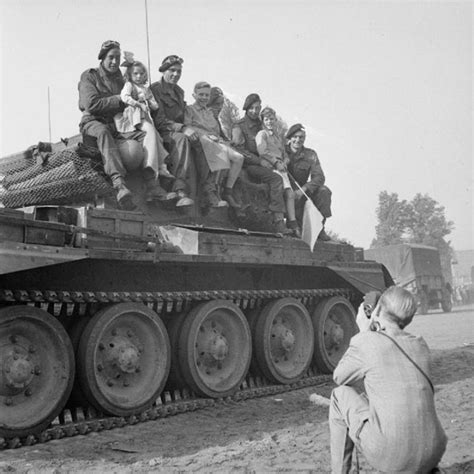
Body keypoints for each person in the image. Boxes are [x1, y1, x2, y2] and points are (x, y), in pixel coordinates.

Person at [329, 286, 447, 474]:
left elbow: (339, 377)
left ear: (377, 311)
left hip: (391, 457)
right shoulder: (420, 344)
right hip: (434, 451)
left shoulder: (367, 342)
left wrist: (363, 332)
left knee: (339, 395)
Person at [78, 40, 169, 210]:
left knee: (149, 133)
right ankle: (119, 184)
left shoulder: (122, 80)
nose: (114, 62)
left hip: (119, 125)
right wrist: (120, 99)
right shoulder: (89, 76)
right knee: (103, 132)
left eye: (118, 58)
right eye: (110, 57)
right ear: (102, 58)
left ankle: (152, 182)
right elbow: (92, 104)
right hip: (92, 122)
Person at [150, 55, 218, 207]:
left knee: (205, 142)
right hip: (162, 132)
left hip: (180, 129)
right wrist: (183, 128)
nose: (176, 74)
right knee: (182, 139)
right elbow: (159, 121)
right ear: (163, 71)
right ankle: (180, 190)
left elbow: (183, 116)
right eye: (172, 70)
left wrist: (192, 129)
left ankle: (208, 191)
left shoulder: (179, 92)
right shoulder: (155, 89)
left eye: (179, 71)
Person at [113, 53, 175, 201]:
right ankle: (150, 171)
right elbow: (124, 97)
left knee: (157, 139)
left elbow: (155, 105)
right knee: (151, 133)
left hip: (146, 117)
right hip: (133, 116)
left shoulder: (146, 89)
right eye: (135, 73)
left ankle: (161, 167)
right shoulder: (129, 85)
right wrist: (137, 102)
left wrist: (148, 100)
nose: (139, 76)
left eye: (141, 73)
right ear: (130, 75)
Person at [232, 94, 287, 233]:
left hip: (267, 163)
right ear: (246, 108)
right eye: (252, 108)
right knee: (276, 180)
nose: (255, 111)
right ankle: (278, 220)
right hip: (249, 165)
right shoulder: (239, 126)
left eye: (258, 108)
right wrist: (260, 161)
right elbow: (239, 150)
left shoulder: (262, 125)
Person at [184, 81, 244, 208]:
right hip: (200, 138)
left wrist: (222, 140)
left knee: (239, 158)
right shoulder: (190, 109)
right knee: (218, 151)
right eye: (201, 95)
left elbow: (216, 131)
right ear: (194, 95)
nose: (204, 98)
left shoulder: (210, 113)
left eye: (206, 95)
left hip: (215, 140)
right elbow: (188, 126)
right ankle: (210, 192)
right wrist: (205, 135)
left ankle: (227, 190)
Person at [255, 107, 300, 237]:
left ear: (275, 120)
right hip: (270, 166)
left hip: (281, 168)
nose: (270, 122)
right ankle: (279, 221)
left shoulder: (278, 137)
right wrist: (276, 162)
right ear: (263, 121)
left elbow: (285, 154)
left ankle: (292, 222)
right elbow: (262, 151)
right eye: (267, 119)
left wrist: (284, 162)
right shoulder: (261, 134)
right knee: (280, 189)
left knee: (290, 194)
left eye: (272, 119)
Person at [285, 123, 332, 241]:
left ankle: (319, 229)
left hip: (302, 194)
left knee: (324, 191)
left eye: (301, 137)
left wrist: (303, 190)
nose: (298, 140)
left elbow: (319, 177)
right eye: (295, 137)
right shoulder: (282, 152)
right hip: (284, 193)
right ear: (290, 138)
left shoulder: (310, 155)